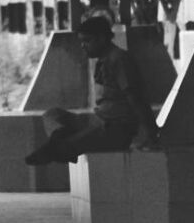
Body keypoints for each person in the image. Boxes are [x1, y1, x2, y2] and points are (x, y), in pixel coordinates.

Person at [24, 16, 160, 165]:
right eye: (82, 41)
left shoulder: (119, 59)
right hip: (98, 120)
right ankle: (59, 139)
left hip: (115, 129)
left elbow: (135, 97)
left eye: (87, 41)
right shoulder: (103, 61)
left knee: (66, 147)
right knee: (52, 115)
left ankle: (59, 147)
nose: (83, 46)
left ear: (101, 39)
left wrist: (150, 132)